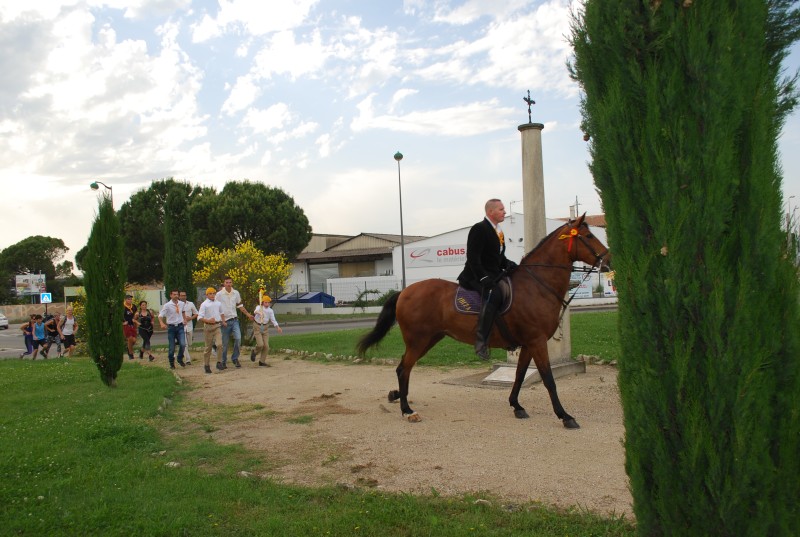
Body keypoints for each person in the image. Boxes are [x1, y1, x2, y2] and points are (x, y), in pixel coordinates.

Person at [457, 198, 517, 360]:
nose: (504, 212)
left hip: (493, 274)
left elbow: (498, 256)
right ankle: (481, 341)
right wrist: (483, 277)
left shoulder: (499, 231)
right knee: (494, 295)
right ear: (490, 212)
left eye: (504, 209)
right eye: (501, 209)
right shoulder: (479, 229)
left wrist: (508, 263)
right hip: (475, 276)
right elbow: (472, 257)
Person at [215, 276, 254, 369]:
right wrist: (221, 320)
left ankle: (235, 358)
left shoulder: (235, 293)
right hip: (225, 321)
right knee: (224, 343)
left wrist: (248, 315)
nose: (228, 284)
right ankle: (223, 361)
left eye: (230, 282)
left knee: (238, 338)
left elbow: (240, 305)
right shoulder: (219, 294)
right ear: (224, 283)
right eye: (227, 282)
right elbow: (216, 307)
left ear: (232, 283)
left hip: (234, 319)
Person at [197, 287, 226, 374]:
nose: (212, 295)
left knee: (220, 344)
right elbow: (200, 317)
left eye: (214, 293)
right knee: (208, 347)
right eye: (210, 294)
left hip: (217, 325)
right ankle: (206, 365)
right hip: (208, 327)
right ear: (207, 295)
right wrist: (208, 320)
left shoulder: (218, 303)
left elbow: (221, 313)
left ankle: (219, 362)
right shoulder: (204, 304)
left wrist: (223, 321)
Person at [250, 295, 283, 367]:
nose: (267, 304)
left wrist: (278, 327)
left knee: (266, 346)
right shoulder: (259, 307)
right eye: (266, 302)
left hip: (265, 328)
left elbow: (273, 320)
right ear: (262, 302)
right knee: (260, 344)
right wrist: (259, 313)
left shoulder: (270, 311)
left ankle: (262, 361)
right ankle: (254, 352)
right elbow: (255, 311)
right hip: (257, 326)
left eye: (268, 303)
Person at [158, 290, 187, 369]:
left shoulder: (181, 304)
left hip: (180, 326)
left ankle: (180, 358)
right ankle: (171, 362)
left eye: (177, 294)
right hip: (171, 327)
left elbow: (183, 311)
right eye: (174, 294)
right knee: (172, 347)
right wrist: (161, 323)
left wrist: (185, 319)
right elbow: (160, 315)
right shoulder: (167, 305)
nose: (176, 296)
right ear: (171, 295)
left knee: (183, 344)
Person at [179, 291, 199, 365]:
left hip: (189, 326)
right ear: (179, 296)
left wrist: (190, 318)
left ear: (186, 296)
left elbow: (196, 313)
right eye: (181, 295)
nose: (183, 297)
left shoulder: (190, 304)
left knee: (189, 343)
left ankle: (181, 352)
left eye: (184, 295)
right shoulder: (177, 305)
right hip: (181, 326)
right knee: (185, 344)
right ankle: (188, 360)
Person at [123, 294, 137, 360]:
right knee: (130, 338)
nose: (130, 300)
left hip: (132, 324)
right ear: (125, 300)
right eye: (128, 299)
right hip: (126, 325)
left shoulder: (133, 306)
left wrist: (135, 319)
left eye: (131, 299)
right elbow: (119, 315)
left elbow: (135, 314)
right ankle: (131, 354)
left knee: (134, 340)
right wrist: (122, 322)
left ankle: (128, 349)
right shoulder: (123, 307)